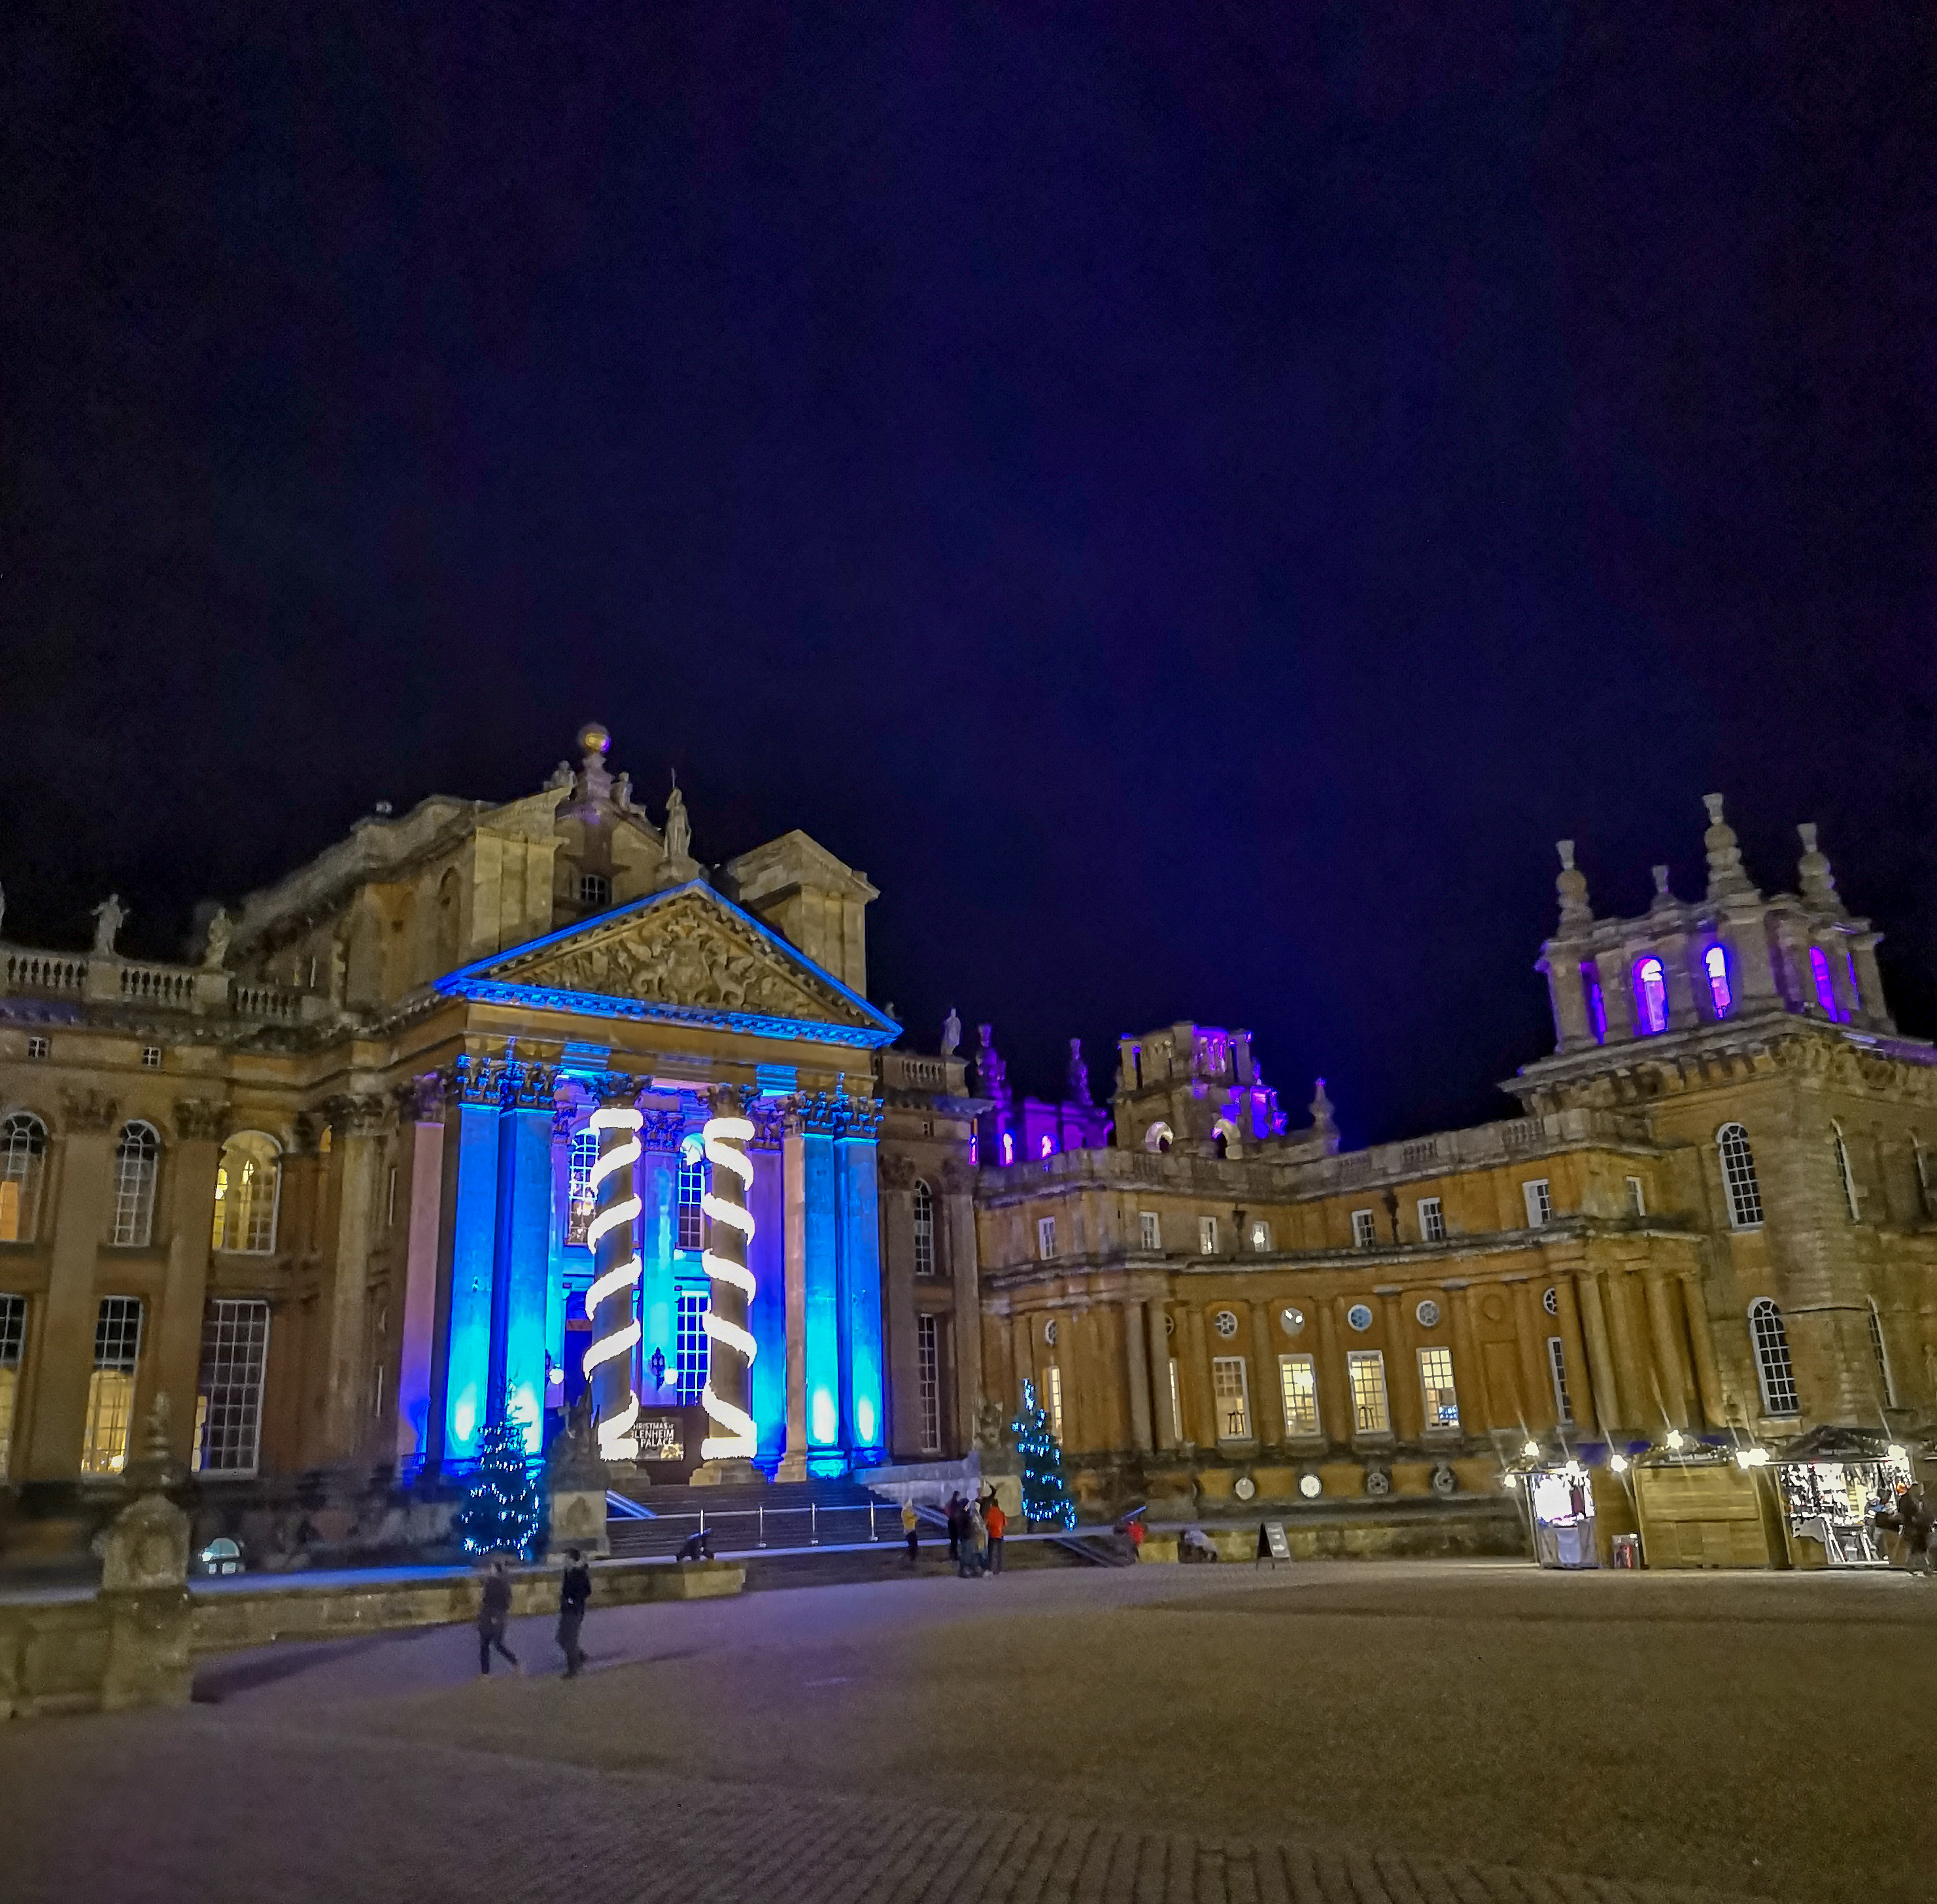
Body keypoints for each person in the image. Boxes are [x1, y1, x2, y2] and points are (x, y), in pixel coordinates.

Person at [477, 1556, 520, 1674]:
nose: (489, 1570)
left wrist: (496, 1616)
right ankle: (485, 1673)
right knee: (485, 1645)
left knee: (497, 1644)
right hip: (488, 1617)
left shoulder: (499, 1584)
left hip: (495, 1618)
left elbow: (504, 1602)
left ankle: (514, 1662)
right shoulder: (492, 1582)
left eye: (491, 1568)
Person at [557, 1548, 592, 1677]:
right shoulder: (568, 1572)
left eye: (566, 1558)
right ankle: (579, 1656)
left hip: (575, 1611)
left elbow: (587, 1591)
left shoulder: (579, 1573)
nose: (564, 1561)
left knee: (570, 1641)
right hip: (566, 1610)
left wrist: (572, 1600)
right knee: (561, 1638)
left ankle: (573, 1670)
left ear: (572, 1560)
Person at [960, 1498, 988, 1578]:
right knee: (970, 1554)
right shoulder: (968, 1516)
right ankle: (969, 1570)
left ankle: (974, 1570)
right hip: (971, 1537)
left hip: (974, 1537)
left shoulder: (971, 1515)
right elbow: (975, 1527)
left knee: (974, 1554)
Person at [982, 1490, 1007, 1574]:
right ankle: (1000, 1569)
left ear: (991, 1504)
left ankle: (991, 1569)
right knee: (1000, 1554)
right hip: (1000, 1535)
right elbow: (1005, 1524)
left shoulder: (989, 1513)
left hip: (992, 1535)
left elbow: (986, 1523)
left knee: (991, 1553)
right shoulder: (1001, 1513)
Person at [945, 1491, 965, 1565]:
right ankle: (955, 1555)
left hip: (951, 1522)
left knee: (953, 1540)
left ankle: (953, 1554)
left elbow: (947, 1509)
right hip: (955, 1522)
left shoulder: (950, 1503)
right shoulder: (957, 1504)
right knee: (955, 1540)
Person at [901, 1498, 920, 1565]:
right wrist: (916, 1517)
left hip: (912, 1529)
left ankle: (912, 1558)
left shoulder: (909, 1511)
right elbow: (909, 1519)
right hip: (909, 1530)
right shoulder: (905, 1512)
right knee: (913, 1545)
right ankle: (910, 1558)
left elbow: (912, 1518)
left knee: (914, 1545)